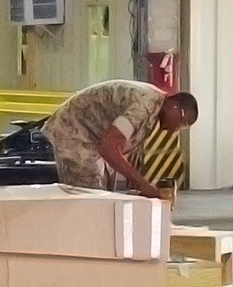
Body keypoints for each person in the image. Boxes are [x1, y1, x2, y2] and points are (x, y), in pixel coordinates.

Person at [42, 80, 199, 199]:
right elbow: (109, 148)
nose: (176, 129)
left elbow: (118, 147)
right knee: (89, 197)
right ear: (175, 107)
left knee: (103, 196)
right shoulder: (143, 106)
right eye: (181, 122)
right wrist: (143, 184)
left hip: (92, 137)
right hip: (74, 131)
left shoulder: (155, 105)